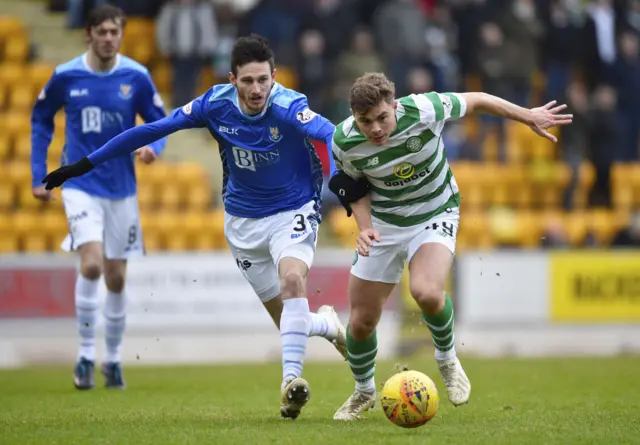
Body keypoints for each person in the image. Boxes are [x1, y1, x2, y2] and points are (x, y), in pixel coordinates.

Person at [40, 34, 347, 420]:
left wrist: (337, 179)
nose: (257, 90)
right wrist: (86, 163)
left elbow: (332, 133)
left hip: (293, 209)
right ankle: (327, 324)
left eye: (263, 80)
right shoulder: (213, 104)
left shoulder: (288, 106)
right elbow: (153, 129)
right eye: (248, 81)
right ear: (232, 79)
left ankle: (290, 384)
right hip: (242, 220)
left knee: (292, 282)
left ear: (273, 77)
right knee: (288, 319)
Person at [328, 72, 573, 420]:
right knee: (361, 323)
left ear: (395, 106)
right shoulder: (344, 141)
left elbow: (478, 99)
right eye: (366, 122)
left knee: (427, 291)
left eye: (383, 117)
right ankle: (363, 390)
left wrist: (528, 115)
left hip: (434, 211)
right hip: (384, 224)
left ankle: (447, 361)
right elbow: (353, 188)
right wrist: (364, 228)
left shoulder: (424, 109)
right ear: (354, 117)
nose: (376, 128)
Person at [31, 5, 168, 391]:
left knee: (117, 277)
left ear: (121, 35)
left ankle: (114, 360)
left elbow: (160, 122)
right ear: (89, 34)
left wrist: (153, 148)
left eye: (115, 32)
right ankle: (86, 357)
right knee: (91, 266)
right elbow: (40, 119)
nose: (109, 38)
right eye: (102, 32)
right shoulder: (66, 76)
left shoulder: (136, 77)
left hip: (121, 189)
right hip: (80, 186)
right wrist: (36, 174)